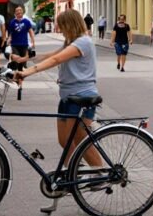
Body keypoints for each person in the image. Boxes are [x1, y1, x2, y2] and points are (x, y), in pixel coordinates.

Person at [12, 9, 103, 181]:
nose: (58, 28)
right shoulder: (72, 42)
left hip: (82, 97)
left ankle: (99, 174)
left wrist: (26, 73)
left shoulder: (83, 42)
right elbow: (52, 55)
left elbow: (56, 60)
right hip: (68, 97)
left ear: (69, 24)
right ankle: (74, 175)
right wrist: (25, 61)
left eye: (60, 25)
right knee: (65, 140)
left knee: (80, 138)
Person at [6, 6, 36, 70]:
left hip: (24, 44)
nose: (19, 11)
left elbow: (31, 32)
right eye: (17, 10)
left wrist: (33, 42)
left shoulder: (26, 22)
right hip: (15, 45)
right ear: (15, 13)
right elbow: (11, 33)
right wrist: (9, 40)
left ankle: (20, 76)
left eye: (20, 10)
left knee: (23, 64)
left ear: (22, 12)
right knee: (17, 60)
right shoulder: (12, 22)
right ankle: (16, 75)